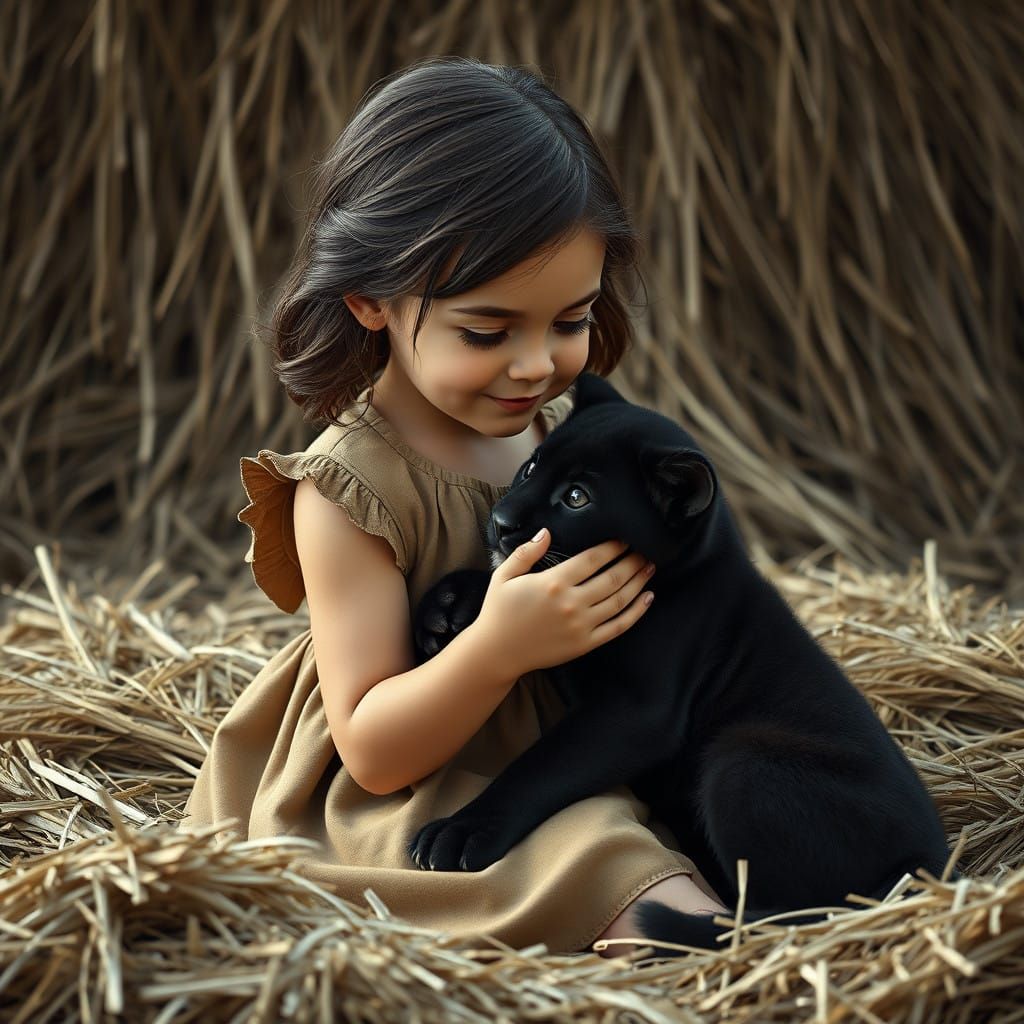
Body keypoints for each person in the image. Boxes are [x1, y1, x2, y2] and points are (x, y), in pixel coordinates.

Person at [179, 55, 726, 958]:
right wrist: (501, 647)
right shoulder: (349, 489)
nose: (534, 365)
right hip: (429, 790)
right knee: (631, 885)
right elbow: (374, 749)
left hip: (586, 742)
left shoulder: (566, 437)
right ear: (368, 299)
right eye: (487, 331)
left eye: (570, 321)